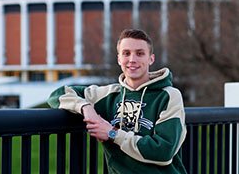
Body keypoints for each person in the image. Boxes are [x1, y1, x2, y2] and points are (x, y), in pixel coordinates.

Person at [47, 29, 187, 173]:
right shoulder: (108, 95)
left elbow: (163, 152)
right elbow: (56, 95)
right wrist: (86, 108)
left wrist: (112, 133)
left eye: (140, 53)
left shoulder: (169, 95)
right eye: (126, 53)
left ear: (151, 59)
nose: (132, 59)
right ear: (119, 59)